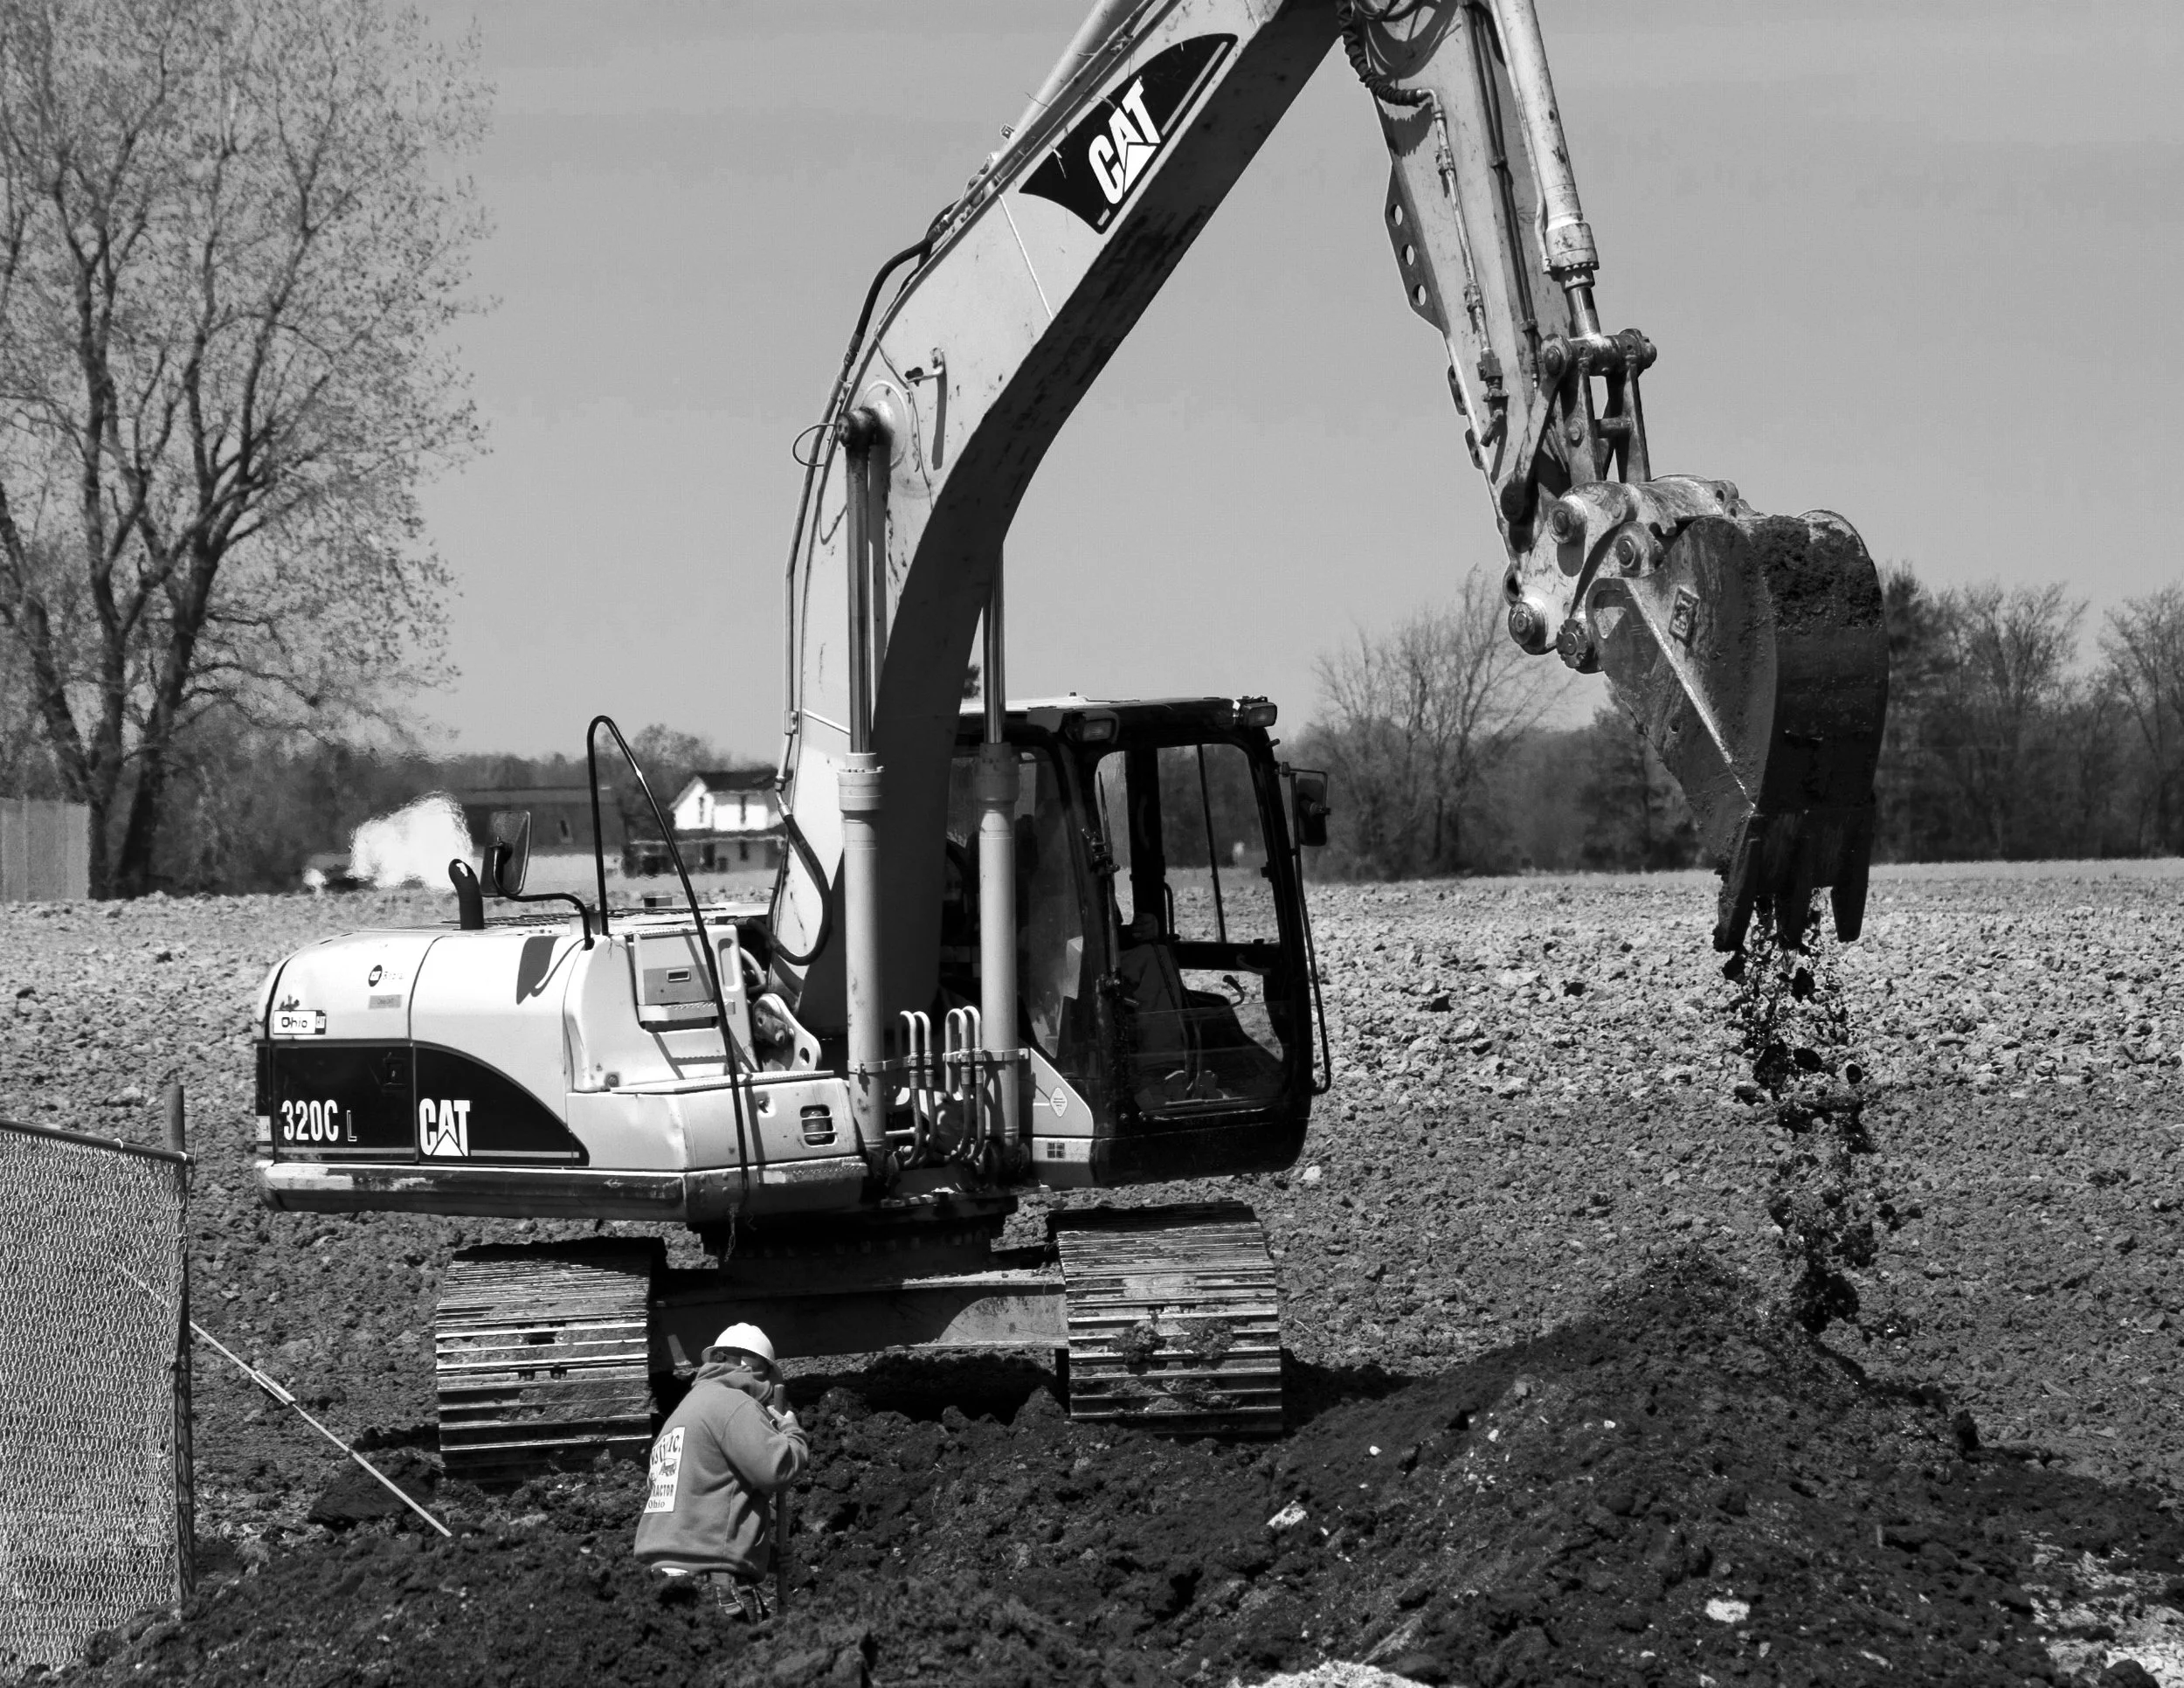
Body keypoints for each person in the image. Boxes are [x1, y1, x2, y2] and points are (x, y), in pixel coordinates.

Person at [634, 1321, 808, 1619]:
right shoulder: (733, 1404)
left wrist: (759, 1557)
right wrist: (791, 1433)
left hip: (662, 1581)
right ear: (760, 1370)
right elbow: (776, 1470)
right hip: (711, 1582)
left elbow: (698, 1501)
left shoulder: (681, 1415)